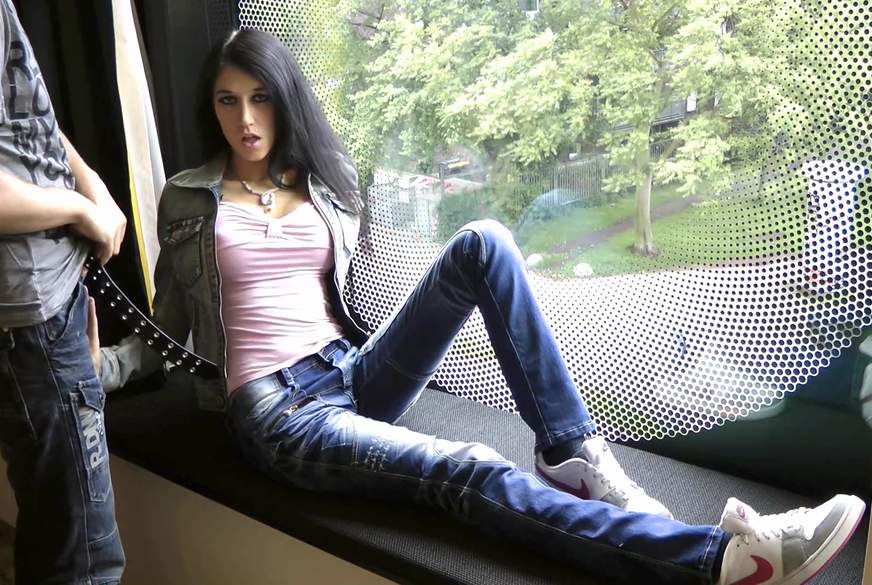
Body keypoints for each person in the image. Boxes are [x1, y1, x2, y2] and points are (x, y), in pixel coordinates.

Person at [99, 28, 865, 585]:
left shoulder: (319, 183)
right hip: (277, 414)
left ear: (283, 99)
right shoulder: (189, 199)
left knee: (484, 241)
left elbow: (339, 295)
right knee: (468, 467)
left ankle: (569, 450)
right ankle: (718, 561)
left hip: (347, 371)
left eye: (261, 97)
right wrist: (91, 368)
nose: (246, 119)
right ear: (211, 107)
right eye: (228, 100)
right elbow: (165, 329)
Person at [0, 1, 127, 583]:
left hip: (45, 310)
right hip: (32, 322)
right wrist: (78, 208)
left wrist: (88, 180)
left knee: (61, 540)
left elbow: (21, 112)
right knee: (86, 563)